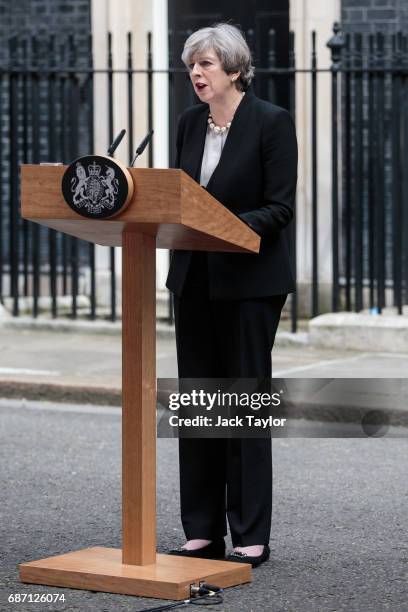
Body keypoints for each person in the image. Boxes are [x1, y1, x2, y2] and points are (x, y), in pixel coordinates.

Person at [166, 23, 298, 568]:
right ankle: (201, 530)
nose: (197, 74)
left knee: (241, 406)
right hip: (194, 279)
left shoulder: (272, 122)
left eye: (207, 65)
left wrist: (221, 224)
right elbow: (175, 196)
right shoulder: (189, 123)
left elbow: (280, 206)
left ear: (236, 71)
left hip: (249, 284)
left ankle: (250, 534)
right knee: (201, 406)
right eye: (192, 65)